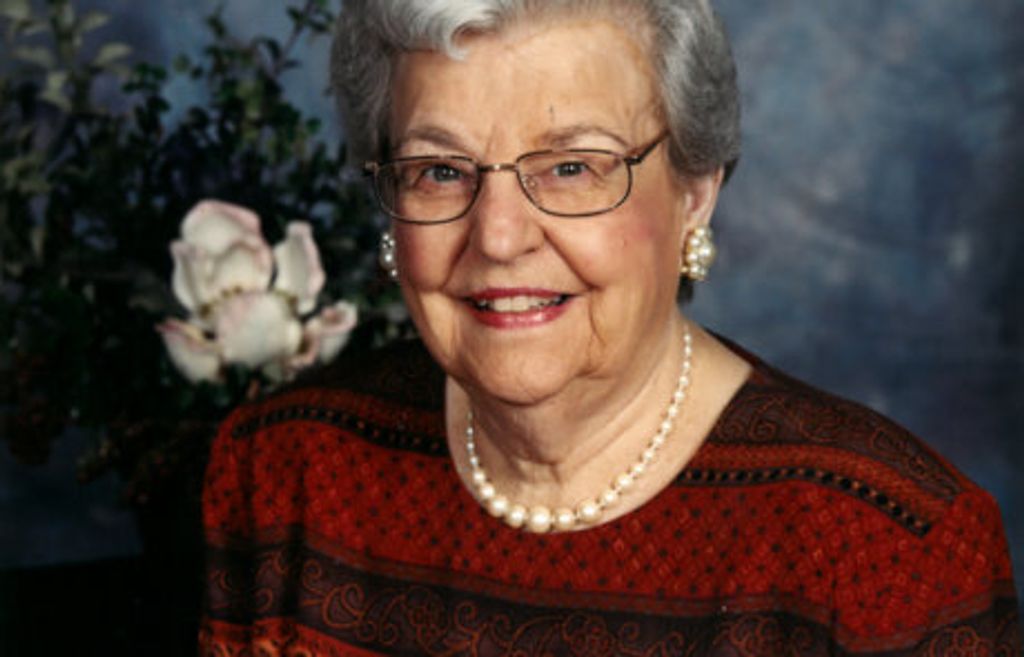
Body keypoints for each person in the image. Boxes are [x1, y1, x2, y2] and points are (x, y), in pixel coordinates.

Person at [199, 1, 1020, 654]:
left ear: (694, 191)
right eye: (440, 171)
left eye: (572, 167)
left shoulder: (890, 548)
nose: (499, 236)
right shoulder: (284, 472)